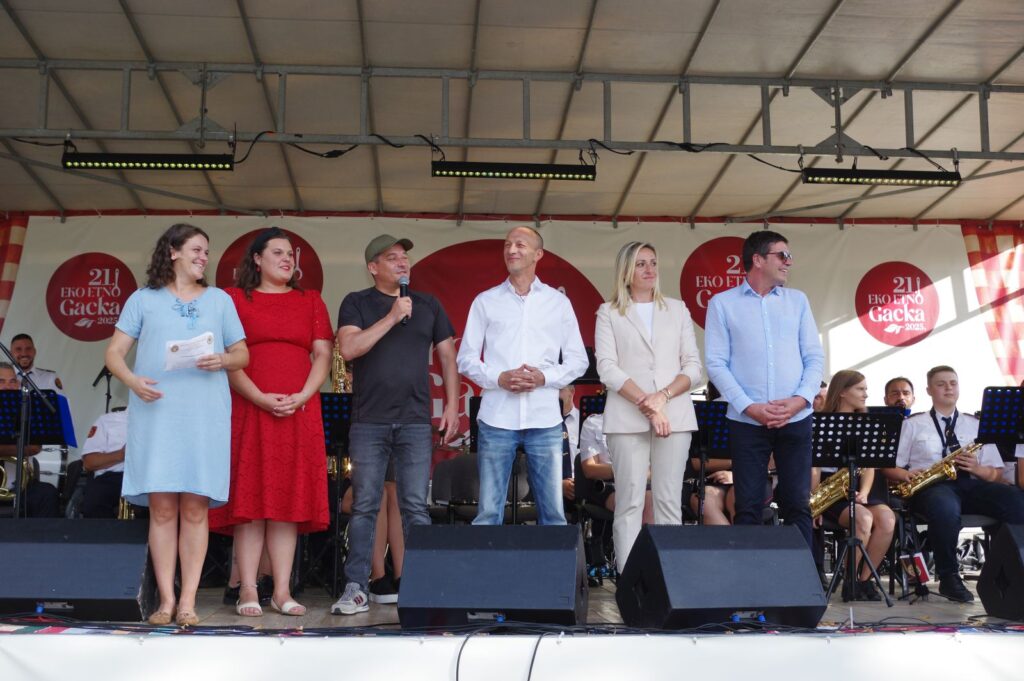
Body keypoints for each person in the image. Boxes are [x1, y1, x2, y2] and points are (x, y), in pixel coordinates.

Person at [105, 223, 248, 627]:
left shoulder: (220, 300)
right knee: (163, 509)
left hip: (204, 414)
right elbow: (114, 353)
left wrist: (223, 359)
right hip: (157, 411)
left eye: (206, 252)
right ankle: (165, 600)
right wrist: (133, 380)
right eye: (197, 250)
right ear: (173, 252)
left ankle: (188, 601)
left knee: (196, 508)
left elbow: (242, 354)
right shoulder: (143, 299)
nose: (204, 257)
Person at [208, 227, 332, 617]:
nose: (287, 259)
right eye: (277, 252)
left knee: (287, 503)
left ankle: (281, 590)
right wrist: (260, 397)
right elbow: (227, 357)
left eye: (290, 254)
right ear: (257, 259)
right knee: (251, 500)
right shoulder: (233, 299)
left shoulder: (310, 300)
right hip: (249, 407)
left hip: (298, 410)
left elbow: (323, 355)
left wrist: (304, 395)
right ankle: (247, 587)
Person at [333, 234, 460, 615]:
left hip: (415, 421)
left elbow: (448, 358)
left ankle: (422, 586)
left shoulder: (428, 304)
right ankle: (357, 587)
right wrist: (391, 317)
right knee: (365, 505)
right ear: (373, 267)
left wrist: (452, 405)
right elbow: (349, 348)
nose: (403, 262)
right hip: (369, 421)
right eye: (392, 258)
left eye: (404, 257)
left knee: (415, 507)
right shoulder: (357, 302)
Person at [457, 226, 588, 527]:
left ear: (538, 254)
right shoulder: (486, 301)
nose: (511, 250)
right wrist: (498, 377)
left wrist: (544, 378)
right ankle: (485, 561)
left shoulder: (558, 302)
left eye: (520, 244)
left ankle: (553, 562)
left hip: (544, 419)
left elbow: (579, 360)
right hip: (497, 418)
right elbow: (465, 359)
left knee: (553, 515)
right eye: (507, 245)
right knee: (488, 514)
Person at [704, 230, 824, 550]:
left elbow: (814, 356)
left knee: (798, 503)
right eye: (782, 255)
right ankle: (751, 577)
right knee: (747, 506)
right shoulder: (722, 304)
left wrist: (800, 400)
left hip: (795, 418)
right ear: (757, 260)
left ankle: (801, 578)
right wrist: (748, 406)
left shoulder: (798, 301)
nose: (789, 262)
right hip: (747, 421)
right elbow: (716, 363)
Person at [595, 241, 702, 571]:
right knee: (629, 502)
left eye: (653, 262)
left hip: (675, 416)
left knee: (669, 500)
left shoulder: (678, 309)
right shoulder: (608, 312)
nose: (649, 269)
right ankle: (629, 580)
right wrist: (649, 404)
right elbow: (607, 368)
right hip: (626, 418)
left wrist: (662, 397)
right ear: (626, 271)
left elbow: (694, 367)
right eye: (641, 263)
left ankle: (670, 579)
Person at [883, 365, 1024, 602]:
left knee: (1015, 500)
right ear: (929, 390)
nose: (948, 388)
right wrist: (906, 475)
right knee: (945, 507)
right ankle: (949, 577)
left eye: (953, 383)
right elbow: (889, 467)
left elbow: (997, 474)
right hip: (931, 487)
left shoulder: (976, 424)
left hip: (972, 485)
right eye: (941, 384)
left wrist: (977, 468)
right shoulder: (913, 424)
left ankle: (1013, 571)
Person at [812, 369, 896, 601]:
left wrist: (865, 493)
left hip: (858, 487)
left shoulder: (868, 424)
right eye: (860, 389)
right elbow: (814, 467)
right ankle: (850, 580)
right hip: (830, 490)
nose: (865, 394)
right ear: (842, 392)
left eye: (866, 389)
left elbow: (869, 466)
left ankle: (864, 580)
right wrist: (815, 503)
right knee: (864, 519)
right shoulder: (820, 423)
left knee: (888, 519)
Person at [0, 362, 60, 517]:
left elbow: (34, 447)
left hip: (22, 486)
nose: (8, 386)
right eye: (1, 381)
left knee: (48, 493)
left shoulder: (28, 409)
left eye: (13, 381)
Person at [79, 407, 128, 519]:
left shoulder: (165, 423)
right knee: (95, 500)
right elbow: (89, 462)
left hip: (151, 480)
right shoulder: (107, 420)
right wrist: (122, 454)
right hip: (113, 478)